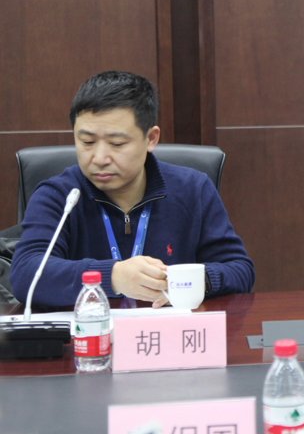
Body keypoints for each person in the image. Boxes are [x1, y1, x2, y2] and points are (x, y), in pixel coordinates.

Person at [10, 71, 254, 306]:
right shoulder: (59, 195)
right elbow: (25, 274)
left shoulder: (193, 189)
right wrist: (113, 276)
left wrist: (194, 281)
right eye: (87, 142)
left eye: (117, 144)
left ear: (151, 139)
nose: (100, 158)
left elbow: (240, 270)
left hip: (167, 330)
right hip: (89, 329)